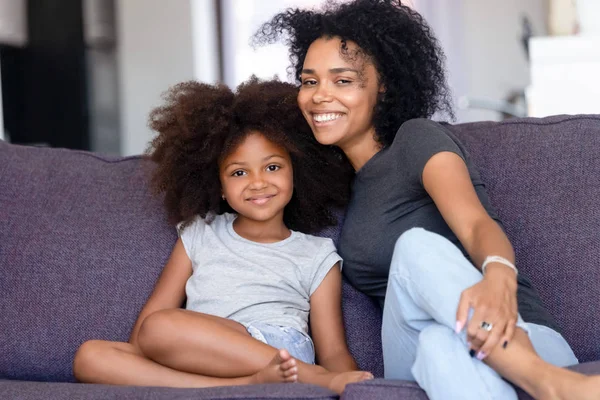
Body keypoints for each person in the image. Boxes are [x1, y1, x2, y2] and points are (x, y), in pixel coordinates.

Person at [255, 1, 600, 399]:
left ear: (382, 84)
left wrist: (500, 277)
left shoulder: (415, 139)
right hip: (415, 351)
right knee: (434, 344)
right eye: (310, 81)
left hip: (521, 332)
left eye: (343, 81)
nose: (319, 96)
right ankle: (550, 386)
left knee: (429, 301)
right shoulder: (333, 187)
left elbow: (475, 224)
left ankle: (544, 377)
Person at [72, 78, 373, 394]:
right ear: (220, 188)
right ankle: (234, 387)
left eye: (272, 167)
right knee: (91, 356)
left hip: (281, 356)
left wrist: (347, 382)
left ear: (296, 173)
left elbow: (333, 350)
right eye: (239, 173)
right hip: (198, 354)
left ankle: (303, 378)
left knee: (162, 327)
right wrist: (155, 351)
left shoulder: (316, 253)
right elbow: (146, 330)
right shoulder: (200, 233)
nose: (257, 183)